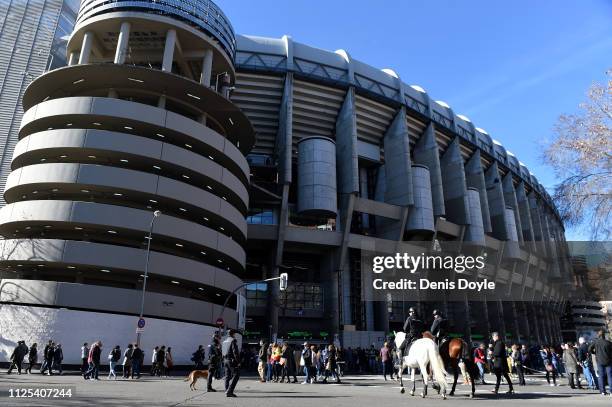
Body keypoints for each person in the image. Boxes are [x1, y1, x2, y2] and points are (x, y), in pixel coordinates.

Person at [588, 329, 612, 396]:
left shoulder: (596, 342)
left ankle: (602, 391)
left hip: (599, 361)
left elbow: (589, 349)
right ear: (604, 335)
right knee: (610, 376)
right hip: (608, 361)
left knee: (601, 376)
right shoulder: (608, 343)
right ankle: (611, 391)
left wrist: (594, 352)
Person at [222, 329, 241, 397]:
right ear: (233, 334)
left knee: (227, 376)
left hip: (225, 360)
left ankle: (226, 390)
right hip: (231, 361)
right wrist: (238, 362)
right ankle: (229, 391)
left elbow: (223, 352)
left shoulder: (224, 341)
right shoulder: (233, 340)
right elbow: (235, 352)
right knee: (236, 374)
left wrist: (224, 360)